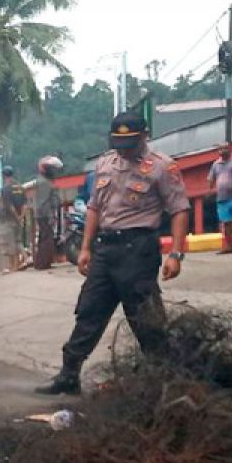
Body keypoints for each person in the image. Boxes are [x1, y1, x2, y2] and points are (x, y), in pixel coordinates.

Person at [36, 111, 189, 396]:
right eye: (119, 142)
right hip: (105, 250)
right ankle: (69, 374)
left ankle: (164, 380)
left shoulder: (162, 167)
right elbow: (95, 208)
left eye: (130, 142)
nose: (124, 149)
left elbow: (179, 209)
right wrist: (85, 249)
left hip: (139, 250)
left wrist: (176, 254)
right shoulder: (105, 163)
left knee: (145, 318)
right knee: (89, 311)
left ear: (144, 137)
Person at [29, 157, 62, 270]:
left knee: (44, 237)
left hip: (43, 214)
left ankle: (42, 262)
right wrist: (50, 216)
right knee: (47, 238)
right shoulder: (44, 183)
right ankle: (43, 263)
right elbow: (44, 202)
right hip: (44, 214)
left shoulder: (43, 181)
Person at [0, 165, 26, 271]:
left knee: (10, 243)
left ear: (4, 176)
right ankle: (21, 261)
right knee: (17, 241)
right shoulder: (20, 187)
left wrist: (16, 217)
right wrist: (21, 217)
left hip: (9, 219)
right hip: (19, 218)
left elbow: (10, 206)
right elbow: (25, 204)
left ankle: (14, 266)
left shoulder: (5, 189)